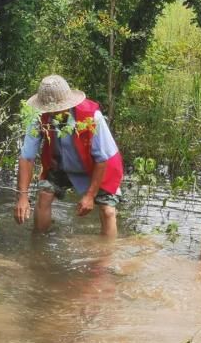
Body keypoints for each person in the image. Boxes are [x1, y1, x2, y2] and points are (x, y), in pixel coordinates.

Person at [15, 75, 124, 237]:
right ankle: (38, 246)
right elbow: (27, 157)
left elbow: (102, 159)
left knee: (107, 211)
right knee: (44, 195)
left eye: (57, 109)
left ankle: (105, 259)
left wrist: (90, 195)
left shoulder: (92, 117)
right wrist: (22, 196)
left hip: (98, 165)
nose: (52, 113)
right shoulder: (38, 117)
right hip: (61, 163)